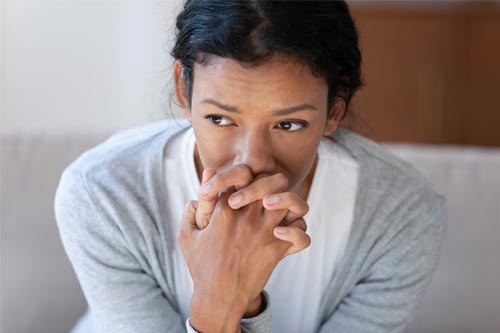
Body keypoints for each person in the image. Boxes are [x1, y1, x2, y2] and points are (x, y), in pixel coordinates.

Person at [54, 1, 447, 332]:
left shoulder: (403, 215)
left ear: (335, 110)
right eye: (221, 119)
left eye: (289, 124)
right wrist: (220, 298)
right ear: (184, 89)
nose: (253, 161)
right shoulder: (102, 195)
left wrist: (242, 302)